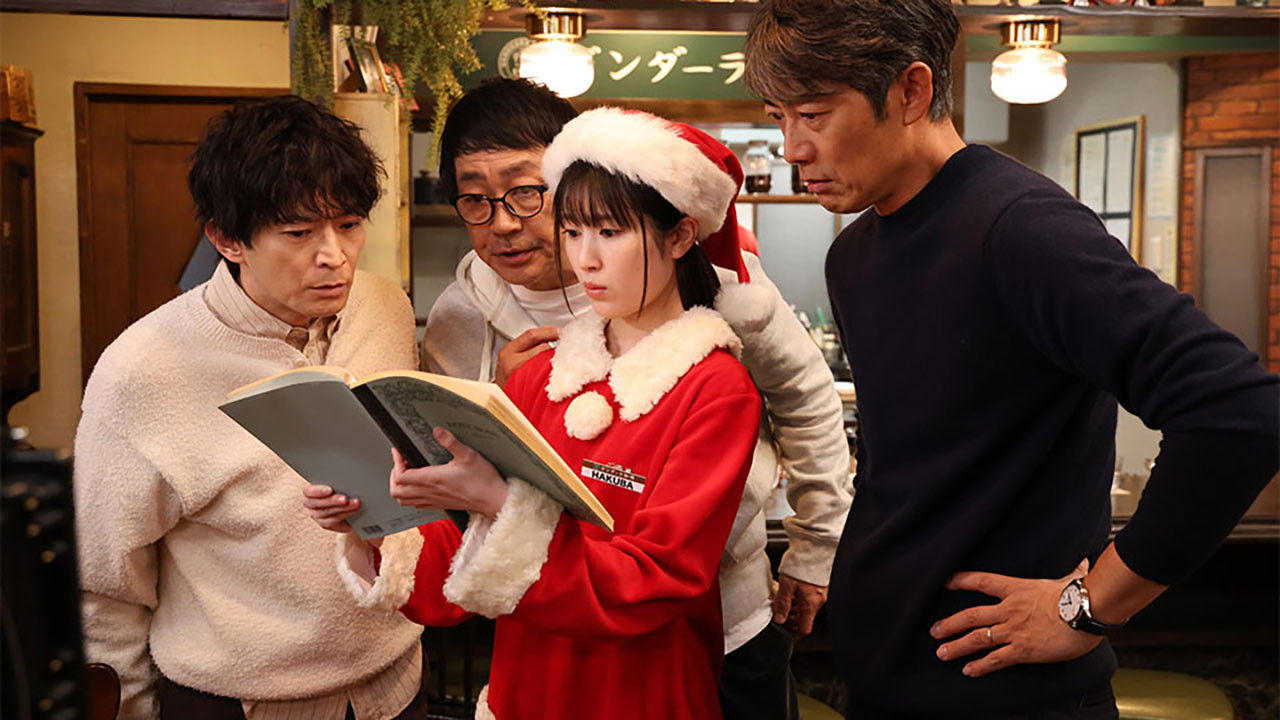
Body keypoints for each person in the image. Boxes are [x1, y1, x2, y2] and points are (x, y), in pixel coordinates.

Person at [743, 1, 1280, 718]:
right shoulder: (856, 254)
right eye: (778, 117)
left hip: (1007, 697)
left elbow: (1240, 414)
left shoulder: (1019, 229)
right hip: (883, 680)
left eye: (813, 115)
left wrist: (1087, 607)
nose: (791, 149)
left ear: (911, 91)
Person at [310, 108, 773, 719]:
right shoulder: (539, 377)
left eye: (610, 232)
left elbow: (657, 579)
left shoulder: (715, 389)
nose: (586, 259)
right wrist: (371, 522)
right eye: (573, 232)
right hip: (523, 686)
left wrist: (497, 502)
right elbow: (458, 570)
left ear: (681, 236)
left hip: (640, 691)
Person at [418, 77, 851, 719]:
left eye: (524, 190)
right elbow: (466, 491)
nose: (503, 221)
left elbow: (807, 399)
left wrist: (815, 548)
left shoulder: (724, 303)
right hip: (543, 629)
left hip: (709, 616)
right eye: (475, 199)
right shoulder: (469, 320)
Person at [74, 96, 426, 720]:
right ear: (226, 238)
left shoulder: (384, 307)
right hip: (238, 698)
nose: (335, 256)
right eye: (299, 233)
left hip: (394, 681)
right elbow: (104, 583)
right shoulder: (143, 367)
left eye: (349, 225)